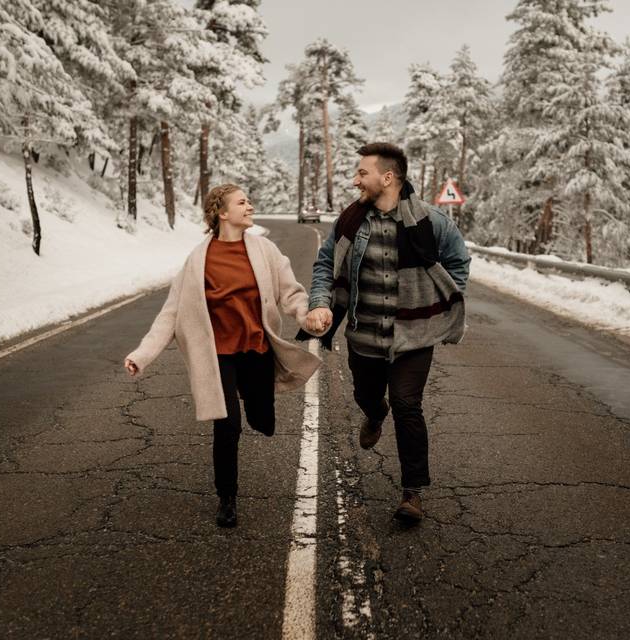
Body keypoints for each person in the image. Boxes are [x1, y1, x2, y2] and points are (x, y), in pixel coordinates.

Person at [124, 184, 321, 528]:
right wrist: (142, 354)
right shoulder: (198, 260)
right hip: (218, 356)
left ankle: (256, 403)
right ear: (222, 213)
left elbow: (291, 293)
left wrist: (308, 316)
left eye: (249, 200)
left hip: (257, 350)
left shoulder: (265, 250)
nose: (250, 206)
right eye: (242, 202)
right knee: (227, 426)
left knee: (262, 418)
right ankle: (226, 497)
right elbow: (171, 313)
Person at [301, 143, 470, 523]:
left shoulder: (431, 222)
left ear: (387, 177)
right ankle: (374, 414)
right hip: (364, 335)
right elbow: (326, 264)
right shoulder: (350, 222)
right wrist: (319, 303)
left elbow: (459, 261)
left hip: (414, 336)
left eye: (362, 173)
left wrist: (442, 300)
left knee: (408, 405)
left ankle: (413, 493)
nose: (355, 179)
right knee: (368, 395)